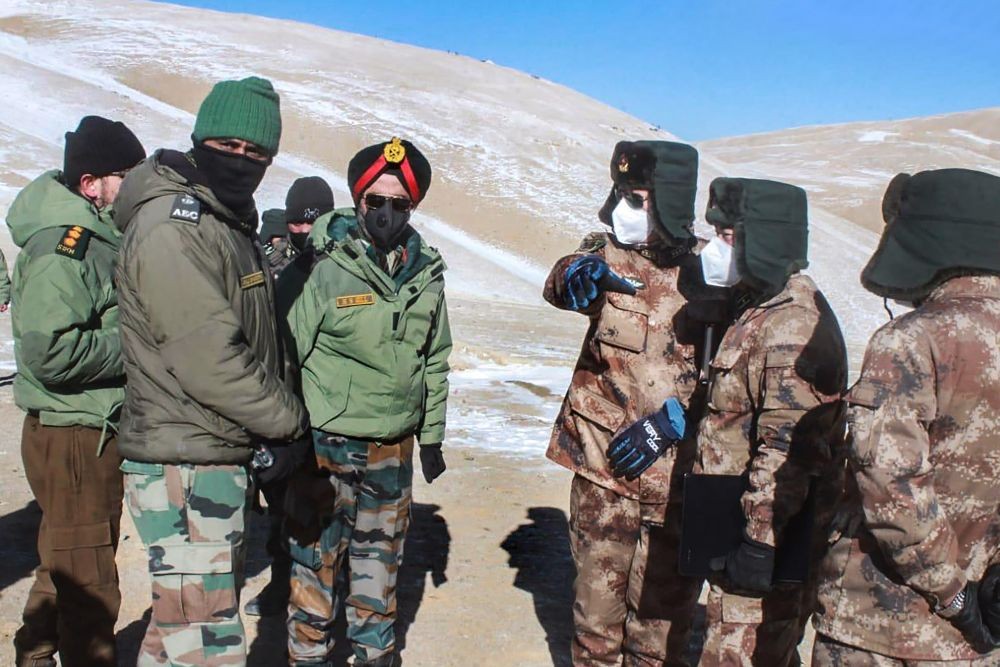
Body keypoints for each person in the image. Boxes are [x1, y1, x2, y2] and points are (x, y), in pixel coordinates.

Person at [113, 76, 307, 666]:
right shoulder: (177, 227)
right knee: (206, 638)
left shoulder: (223, 221)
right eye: (229, 145)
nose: (242, 161)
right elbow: (210, 357)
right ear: (200, 138)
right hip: (185, 457)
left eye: (258, 154)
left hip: (207, 450)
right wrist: (288, 425)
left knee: (180, 629)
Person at [812, 168, 1000, 665]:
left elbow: (891, 484)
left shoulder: (912, 339)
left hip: (882, 626)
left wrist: (953, 593)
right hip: (979, 639)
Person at [280, 137, 451, 667]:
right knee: (315, 569)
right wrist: (287, 445)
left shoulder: (426, 274)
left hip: (392, 451)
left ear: (413, 208)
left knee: (378, 576)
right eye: (376, 200)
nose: (386, 212)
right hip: (325, 448)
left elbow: (435, 357)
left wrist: (431, 437)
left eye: (399, 204)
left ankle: (376, 658)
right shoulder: (323, 267)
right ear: (357, 200)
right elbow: (286, 357)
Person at [543, 140, 708, 666]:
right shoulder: (608, 256)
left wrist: (676, 421)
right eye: (621, 196)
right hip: (602, 477)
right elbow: (563, 278)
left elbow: (741, 373)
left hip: (678, 487)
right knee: (595, 630)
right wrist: (572, 275)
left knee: (659, 636)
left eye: (640, 199)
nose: (626, 210)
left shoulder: (713, 277)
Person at [692, 177, 848, 666]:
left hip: (771, 538)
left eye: (728, 236)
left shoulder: (793, 326)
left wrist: (758, 544)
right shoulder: (759, 307)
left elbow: (788, 452)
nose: (716, 247)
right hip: (741, 524)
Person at [8, 115, 145, 667]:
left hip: (85, 432)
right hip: (73, 436)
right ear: (92, 186)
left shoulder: (96, 239)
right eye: (126, 176)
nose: (135, 187)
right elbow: (50, 353)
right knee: (91, 587)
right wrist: (136, 343)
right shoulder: (66, 249)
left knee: (64, 560)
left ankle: (36, 653)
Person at [244, 175, 335, 618]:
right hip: (284, 408)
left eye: (312, 222)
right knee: (284, 509)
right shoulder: (272, 266)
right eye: (297, 222)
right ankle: (283, 587)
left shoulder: (343, 264)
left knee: (330, 513)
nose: (304, 231)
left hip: (332, 412)